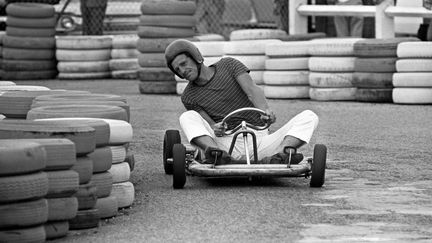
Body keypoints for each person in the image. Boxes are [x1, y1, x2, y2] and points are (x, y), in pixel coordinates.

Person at [164, 39, 319, 165]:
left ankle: (280, 154)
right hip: (225, 144)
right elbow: (210, 124)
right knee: (187, 116)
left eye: (184, 64)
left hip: (259, 140)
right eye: (177, 70)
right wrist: (215, 127)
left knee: (309, 116)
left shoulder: (228, 65)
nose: (182, 71)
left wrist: (265, 111)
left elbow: (252, 91)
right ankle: (214, 154)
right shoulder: (189, 96)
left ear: (196, 57)